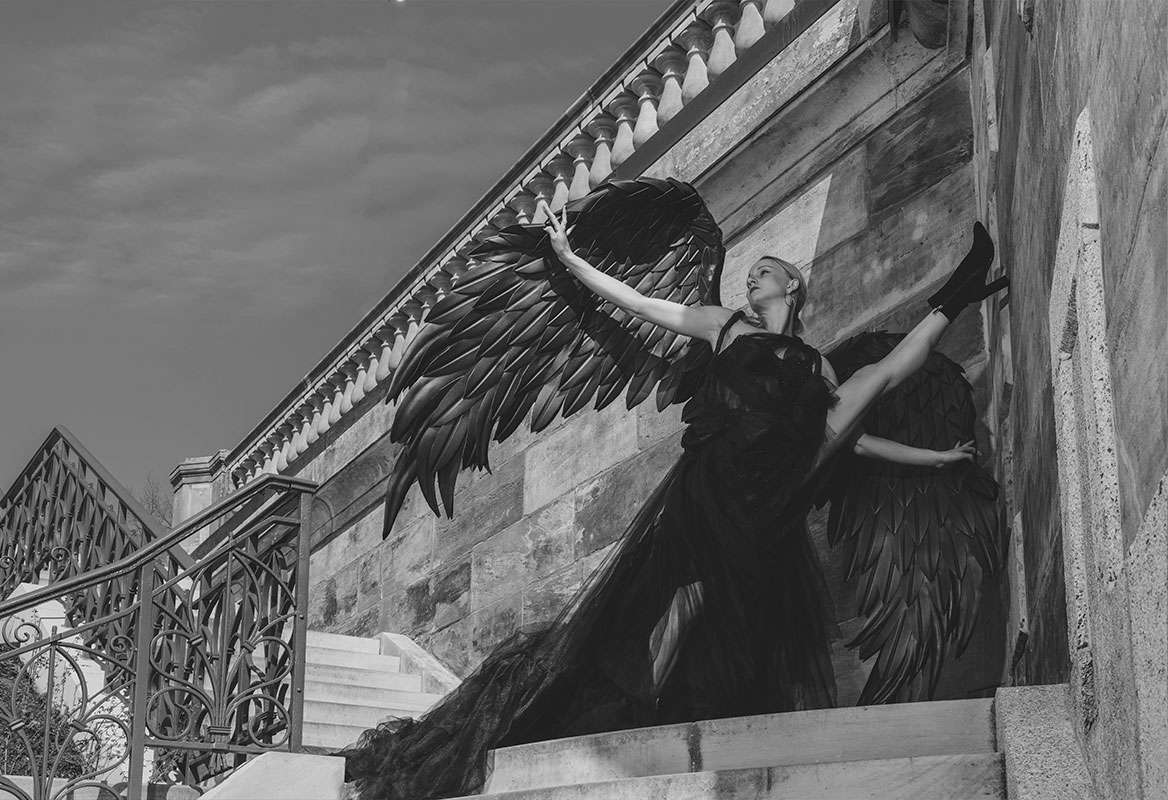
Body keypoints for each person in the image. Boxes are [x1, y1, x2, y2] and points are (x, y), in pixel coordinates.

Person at [342, 197, 1004, 800]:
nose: (752, 278)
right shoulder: (725, 327)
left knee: (737, 616)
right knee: (680, 604)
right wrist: (570, 258)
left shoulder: (819, 368)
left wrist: (936, 457)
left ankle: (956, 293)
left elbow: (853, 436)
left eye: (765, 271)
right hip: (713, 487)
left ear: (793, 285)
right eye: (751, 273)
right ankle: (637, 723)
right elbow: (640, 304)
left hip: (770, 502)